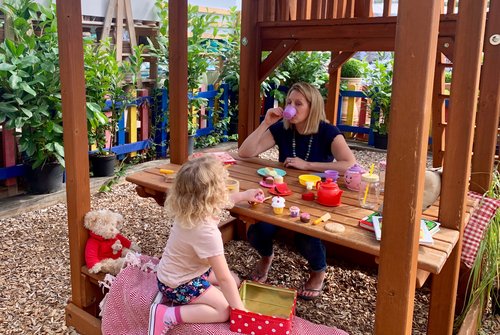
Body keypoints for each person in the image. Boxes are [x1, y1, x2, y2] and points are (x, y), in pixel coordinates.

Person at [238, 82, 356, 300]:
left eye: (298, 103)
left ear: (313, 107)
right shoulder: (283, 129)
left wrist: (308, 165)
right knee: (257, 230)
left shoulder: (327, 131)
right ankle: (266, 257)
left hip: (315, 197)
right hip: (282, 193)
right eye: (289, 102)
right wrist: (265, 122)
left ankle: (318, 272)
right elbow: (245, 152)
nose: (291, 107)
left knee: (306, 238)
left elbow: (349, 164)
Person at [149, 155, 264, 334]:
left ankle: (205, 295)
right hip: (178, 284)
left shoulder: (189, 209)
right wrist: (241, 311)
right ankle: (167, 314)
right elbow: (223, 277)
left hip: (184, 271)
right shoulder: (207, 232)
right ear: (214, 194)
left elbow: (225, 202)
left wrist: (245, 195)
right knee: (224, 309)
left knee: (235, 281)